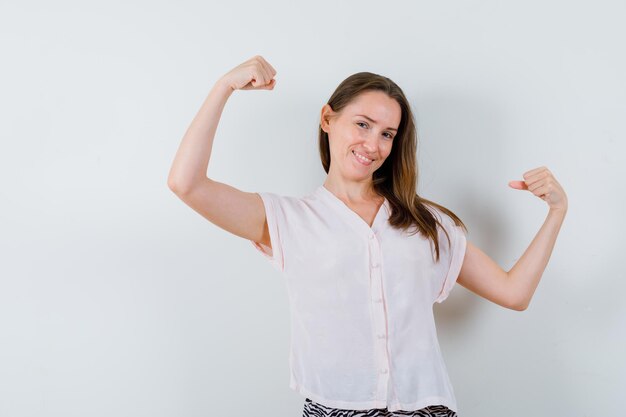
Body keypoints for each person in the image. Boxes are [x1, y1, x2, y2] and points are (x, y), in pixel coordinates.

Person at [167, 55, 568, 417]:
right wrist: (223, 87)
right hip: (337, 407)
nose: (373, 145)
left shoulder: (425, 222)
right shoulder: (287, 219)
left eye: (387, 134)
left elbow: (514, 294)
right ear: (328, 119)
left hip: (426, 407)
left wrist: (556, 212)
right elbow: (187, 184)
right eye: (363, 124)